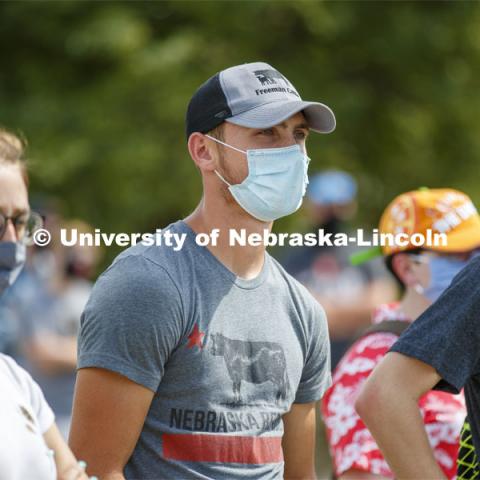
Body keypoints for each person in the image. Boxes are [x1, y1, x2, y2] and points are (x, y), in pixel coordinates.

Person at [69, 61, 335, 479]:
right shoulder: (148, 284)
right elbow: (93, 471)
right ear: (203, 150)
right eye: (266, 132)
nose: (290, 150)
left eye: (298, 134)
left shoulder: (303, 311)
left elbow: (299, 475)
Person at [322, 188, 479, 479]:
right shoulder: (368, 363)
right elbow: (361, 475)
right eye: (459, 254)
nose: (474, 262)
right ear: (407, 268)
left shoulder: (466, 337)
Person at [0, 128, 93, 480]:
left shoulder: (13, 379)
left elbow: (70, 470)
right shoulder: (34, 296)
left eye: (21, 223)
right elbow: (43, 351)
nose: (12, 242)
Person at [281, 170, 396, 367]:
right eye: (324, 205)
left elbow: (382, 302)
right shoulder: (294, 255)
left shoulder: (365, 248)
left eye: (337, 205)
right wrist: (352, 311)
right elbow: (284, 311)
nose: (330, 213)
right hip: (306, 364)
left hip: (360, 363)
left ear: (350, 206)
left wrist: (322, 313)